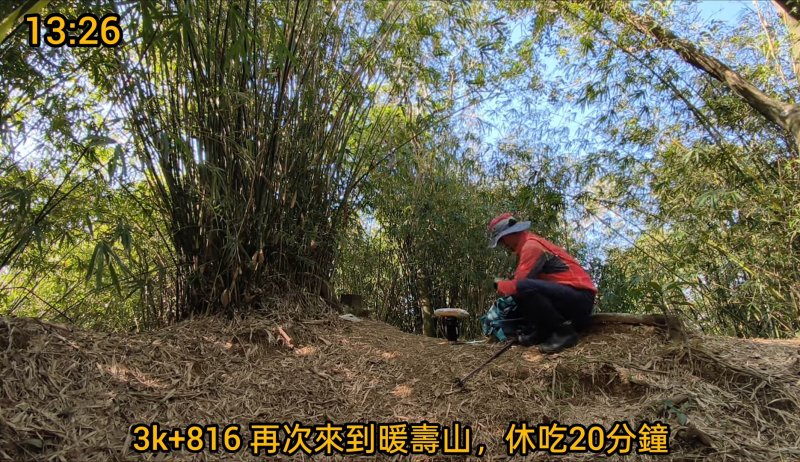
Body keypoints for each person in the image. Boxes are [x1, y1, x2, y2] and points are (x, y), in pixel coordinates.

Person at [487, 212, 597, 353]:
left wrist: (499, 285)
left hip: (580, 298)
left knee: (521, 287)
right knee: (523, 289)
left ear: (510, 234)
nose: (503, 245)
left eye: (502, 241)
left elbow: (519, 284)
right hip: (571, 299)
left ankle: (563, 333)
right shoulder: (529, 245)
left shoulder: (531, 246)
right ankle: (544, 332)